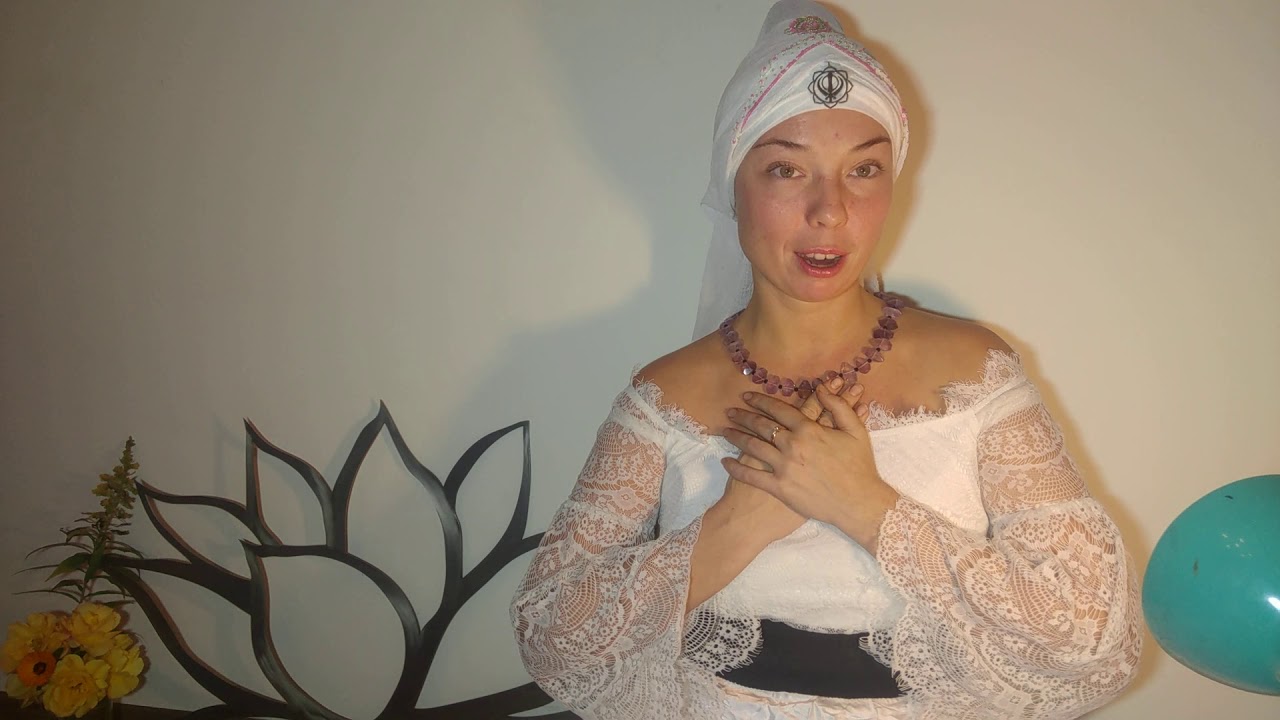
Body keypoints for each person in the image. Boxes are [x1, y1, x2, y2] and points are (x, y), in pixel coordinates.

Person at [509, 2, 1143, 718]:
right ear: (733, 183)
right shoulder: (665, 394)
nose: (830, 211)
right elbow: (552, 639)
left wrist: (865, 506)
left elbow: (1089, 634)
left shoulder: (974, 371)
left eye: (863, 169)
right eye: (787, 169)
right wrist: (740, 522)